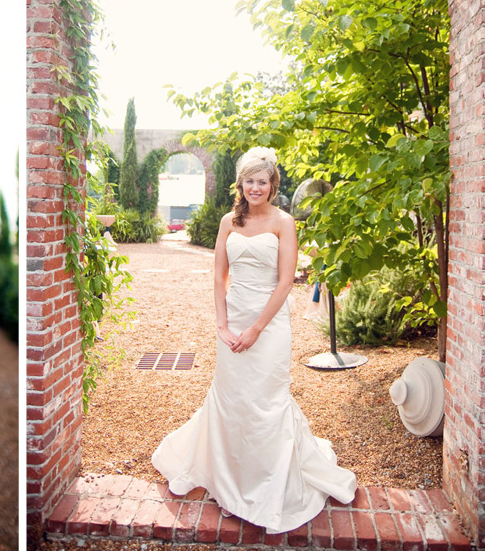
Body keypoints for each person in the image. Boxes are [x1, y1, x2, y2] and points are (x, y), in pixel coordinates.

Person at [151, 146, 357, 534]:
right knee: (232, 402)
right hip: (232, 323)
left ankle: (266, 485)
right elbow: (218, 277)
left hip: (269, 324)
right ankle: (230, 485)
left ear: (272, 183)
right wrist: (222, 325)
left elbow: (285, 282)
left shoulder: (284, 222)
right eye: (249, 181)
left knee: (266, 402)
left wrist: (256, 328)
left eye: (262, 181)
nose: (255, 187)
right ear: (241, 184)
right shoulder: (229, 221)